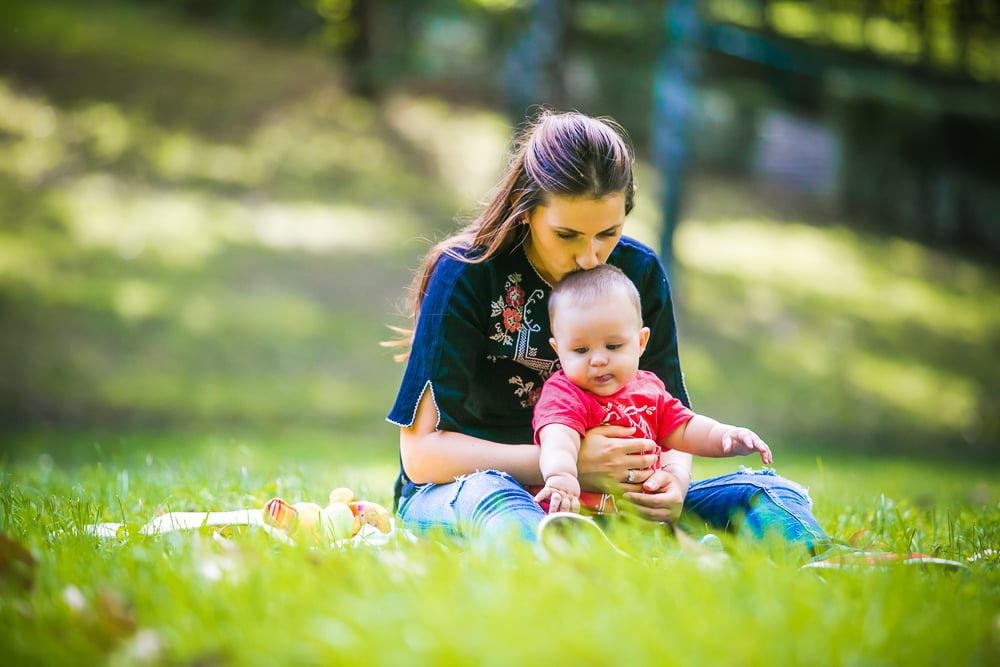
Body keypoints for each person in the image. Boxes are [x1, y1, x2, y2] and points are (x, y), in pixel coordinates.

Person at [386, 109, 830, 556]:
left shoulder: (638, 273)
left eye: (608, 233)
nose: (590, 257)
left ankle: (823, 562)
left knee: (764, 491)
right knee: (495, 501)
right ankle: (571, 557)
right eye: (567, 235)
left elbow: (669, 417)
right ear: (526, 209)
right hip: (474, 490)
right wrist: (570, 465)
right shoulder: (466, 274)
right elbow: (423, 457)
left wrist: (672, 484)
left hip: (612, 499)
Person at [532, 264, 772, 516]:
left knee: (769, 489)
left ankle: (807, 549)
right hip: (582, 510)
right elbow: (559, 439)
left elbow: (685, 429)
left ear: (640, 342)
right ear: (558, 350)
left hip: (643, 512)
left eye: (613, 346)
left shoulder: (649, 389)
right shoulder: (565, 393)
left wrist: (725, 437)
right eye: (581, 350)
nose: (598, 360)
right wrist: (562, 475)